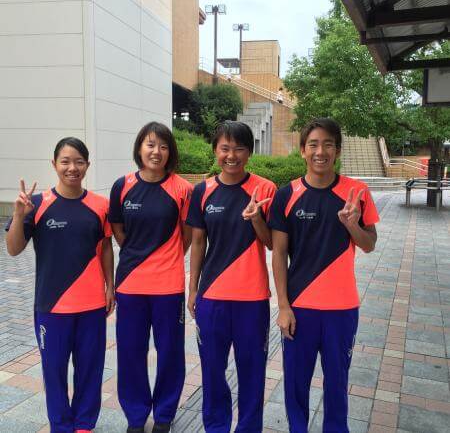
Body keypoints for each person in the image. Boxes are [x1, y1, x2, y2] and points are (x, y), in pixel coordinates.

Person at [269, 118, 379, 433]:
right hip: (299, 308)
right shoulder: (286, 194)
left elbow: (369, 244)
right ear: (303, 150)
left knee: (337, 382)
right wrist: (283, 306)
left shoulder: (357, 192)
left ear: (338, 150)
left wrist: (352, 225)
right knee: (295, 383)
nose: (321, 152)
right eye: (314, 145)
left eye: (328, 144)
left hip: (342, 309)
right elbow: (278, 253)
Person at [5, 137, 114, 433]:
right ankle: (61, 426)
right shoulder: (37, 204)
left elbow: (106, 247)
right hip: (51, 306)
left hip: (92, 306)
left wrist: (110, 286)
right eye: (65, 161)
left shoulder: (100, 205)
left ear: (87, 165)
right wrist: (18, 214)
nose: (72, 168)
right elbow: (13, 249)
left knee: (90, 370)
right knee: (53, 372)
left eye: (79, 161)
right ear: (54, 164)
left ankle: (84, 424)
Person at [186, 120, 276, 433]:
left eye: (239, 149)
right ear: (215, 150)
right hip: (212, 297)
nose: (231, 155)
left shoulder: (265, 190)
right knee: (212, 370)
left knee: (252, 371)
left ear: (249, 152)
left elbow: (272, 244)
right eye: (225, 148)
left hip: (252, 297)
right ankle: (216, 426)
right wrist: (193, 289)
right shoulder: (203, 191)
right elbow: (198, 242)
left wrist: (257, 219)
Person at [108, 122, 193, 433]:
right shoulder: (122, 185)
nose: (156, 151)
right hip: (130, 284)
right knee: (131, 351)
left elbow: (187, 235)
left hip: (168, 286)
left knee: (170, 352)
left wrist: (165, 258)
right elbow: (118, 230)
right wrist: (137, 254)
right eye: (150, 144)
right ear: (139, 148)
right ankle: (135, 415)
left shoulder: (183, 189)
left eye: (163, 146)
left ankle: (165, 414)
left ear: (170, 152)